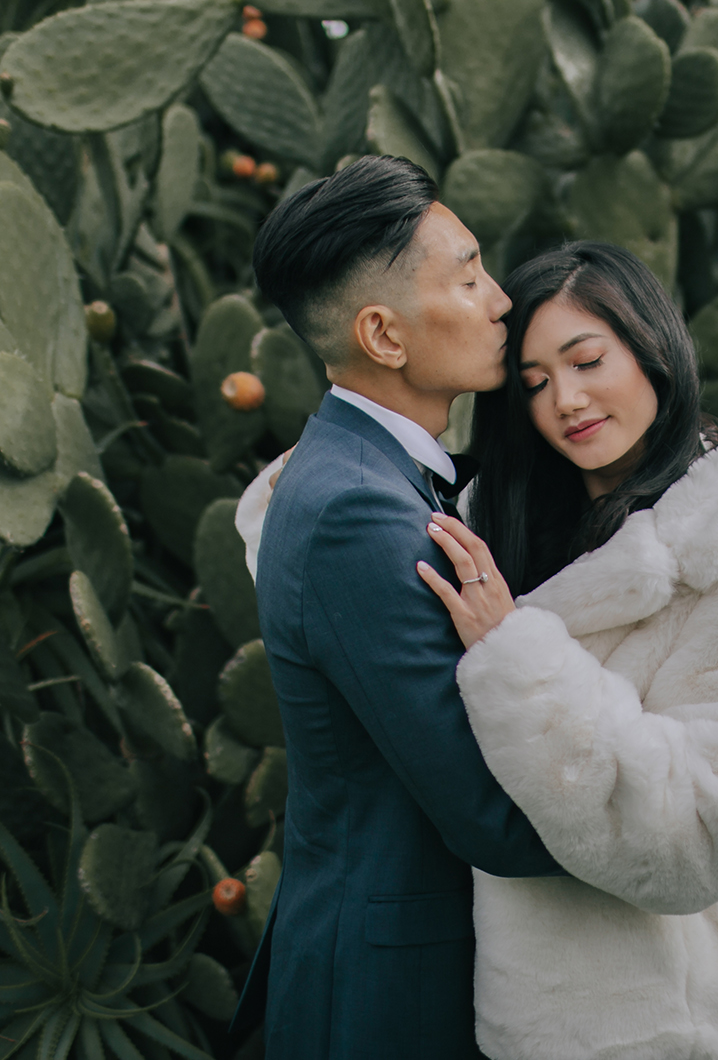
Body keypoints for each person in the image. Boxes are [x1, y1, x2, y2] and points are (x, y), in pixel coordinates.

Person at [241, 237, 718, 1059]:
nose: (568, 399)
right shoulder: (493, 521)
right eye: (535, 381)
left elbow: (708, 831)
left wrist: (519, 659)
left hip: (650, 1021)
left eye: (588, 360)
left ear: (654, 351)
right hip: (492, 1009)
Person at [234, 155, 563, 1059]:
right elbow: (486, 812)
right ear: (384, 334)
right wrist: (665, 805)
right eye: (467, 276)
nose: (501, 301)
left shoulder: (362, 472)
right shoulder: (357, 511)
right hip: (385, 995)